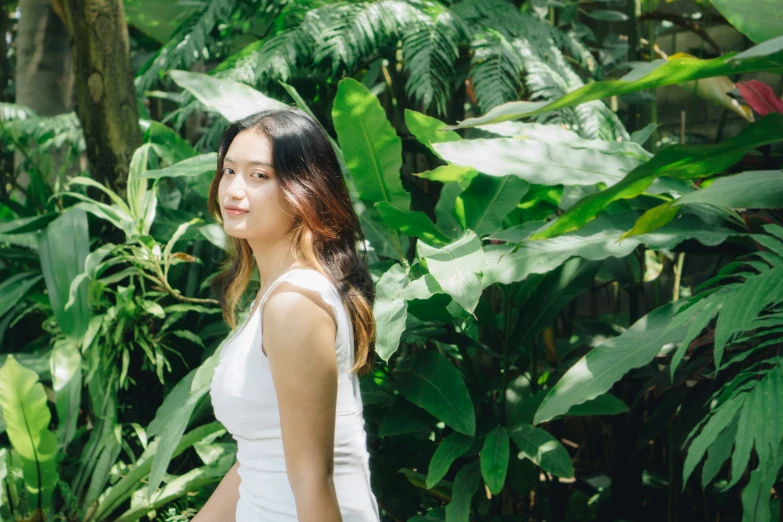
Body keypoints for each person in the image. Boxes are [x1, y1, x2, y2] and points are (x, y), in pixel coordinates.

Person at [196, 108, 381, 522]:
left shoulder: (294, 303)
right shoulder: (277, 293)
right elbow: (260, 457)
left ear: (305, 191)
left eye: (258, 176)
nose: (233, 190)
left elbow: (312, 478)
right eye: (228, 170)